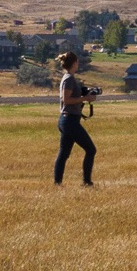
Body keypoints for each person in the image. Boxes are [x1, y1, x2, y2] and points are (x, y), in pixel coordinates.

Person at [54, 51, 96, 186]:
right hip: (69, 121)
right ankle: (86, 182)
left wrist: (83, 92)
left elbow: (71, 97)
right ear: (74, 63)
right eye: (77, 62)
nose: (78, 64)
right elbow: (66, 100)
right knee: (91, 149)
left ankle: (57, 183)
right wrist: (85, 98)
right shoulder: (69, 79)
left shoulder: (69, 78)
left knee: (64, 153)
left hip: (68, 120)